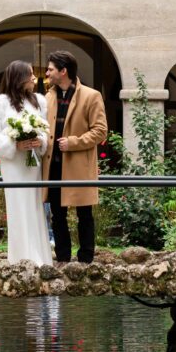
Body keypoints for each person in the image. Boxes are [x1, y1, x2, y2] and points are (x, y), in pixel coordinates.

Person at [0, 60, 53, 266]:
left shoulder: (39, 101)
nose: (34, 78)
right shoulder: (0, 103)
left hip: (33, 164)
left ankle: (41, 259)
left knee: (36, 207)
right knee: (18, 207)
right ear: (19, 77)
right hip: (13, 165)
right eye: (30, 74)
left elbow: (45, 130)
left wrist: (40, 141)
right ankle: (21, 259)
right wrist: (13, 145)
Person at [43, 50, 108, 264]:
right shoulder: (48, 96)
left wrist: (73, 142)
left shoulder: (91, 96)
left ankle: (86, 260)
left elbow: (100, 131)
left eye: (51, 69)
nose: (47, 72)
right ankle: (62, 259)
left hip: (78, 165)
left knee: (84, 214)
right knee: (57, 215)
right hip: (52, 166)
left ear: (63, 71)